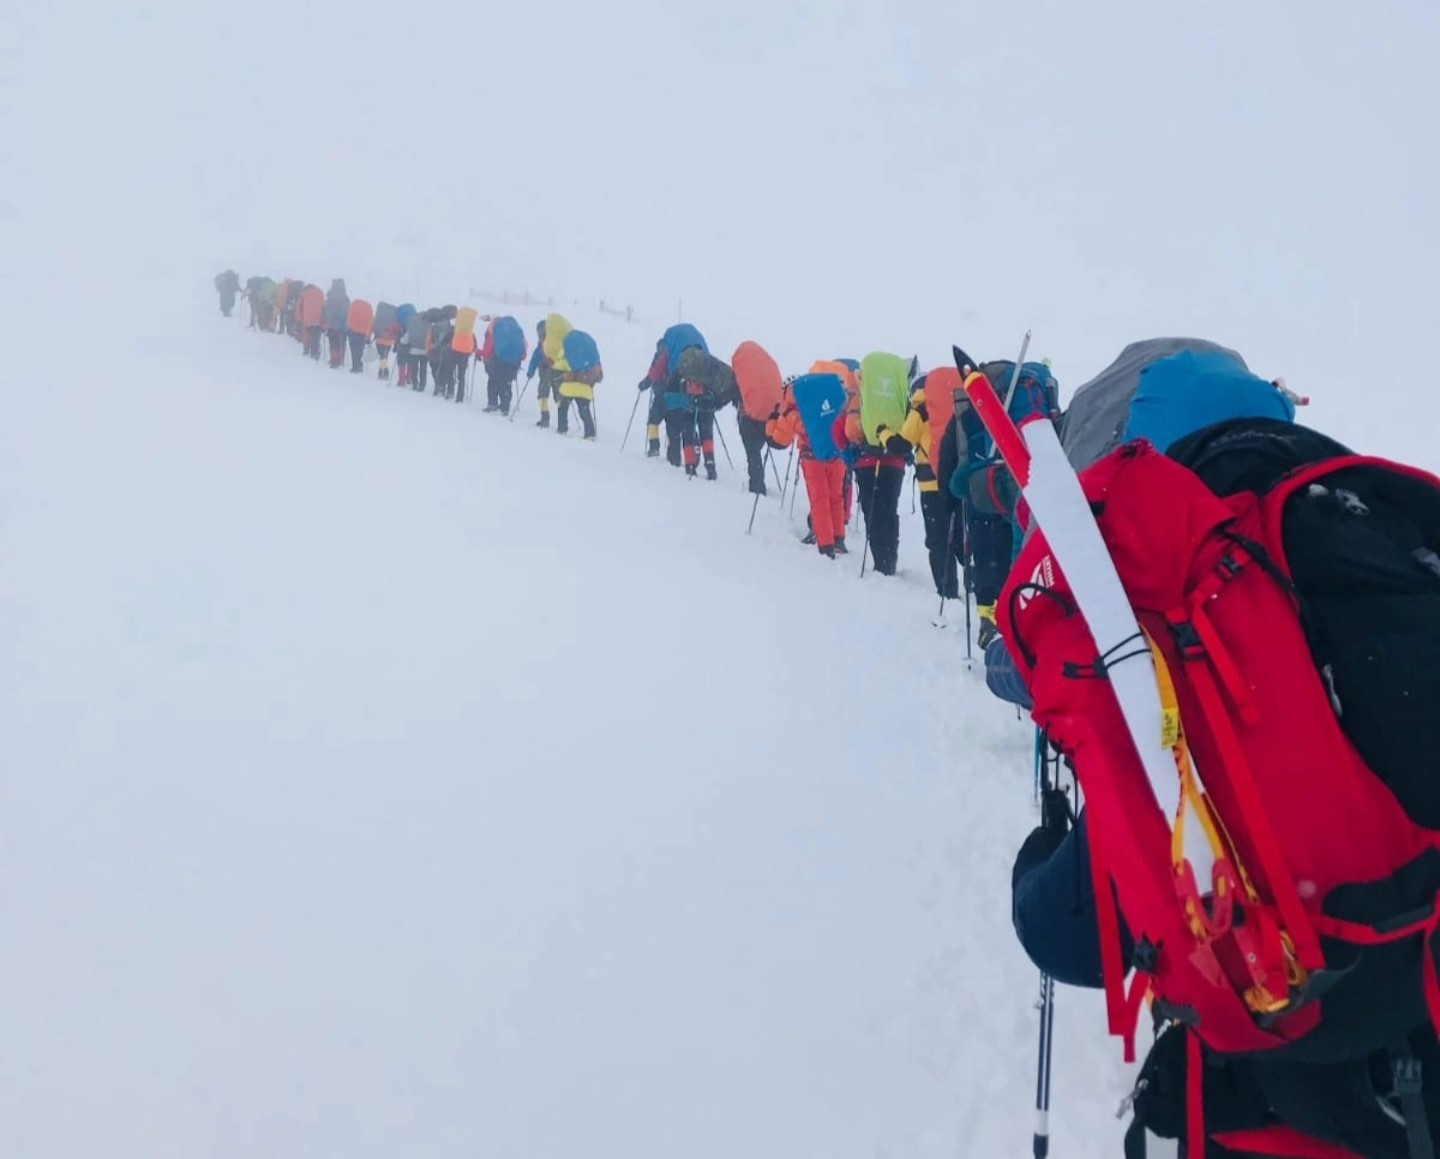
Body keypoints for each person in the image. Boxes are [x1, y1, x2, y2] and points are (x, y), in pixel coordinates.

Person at [833, 353, 912, 576]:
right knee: (889, 509)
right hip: (894, 460)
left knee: (873, 510)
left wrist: (849, 455)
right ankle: (891, 557)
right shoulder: (898, 397)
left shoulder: (858, 397)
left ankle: (881, 561)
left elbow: (838, 431)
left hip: (866, 461)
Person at [767, 372, 850, 558]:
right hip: (837, 454)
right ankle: (839, 539)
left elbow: (782, 437)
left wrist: (778, 417)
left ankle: (826, 545)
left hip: (813, 458)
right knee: (836, 498)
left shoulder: (793, 405)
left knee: (819, 500)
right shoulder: (821, 396)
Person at [901, 368, 963, 599]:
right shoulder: (958, 404)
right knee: (961, 535)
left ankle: (947, 591)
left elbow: (904, 442)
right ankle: (975, 582)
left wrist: (885, 434)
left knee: (938, 540)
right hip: (956, 481)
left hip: (930, 484)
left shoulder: (919, 410)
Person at [641, 323, 712, 475]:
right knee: (689, 426)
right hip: (695, 394)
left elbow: (657, 371)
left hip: (670, 395)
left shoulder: (667, 351)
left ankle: (662, 452)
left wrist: (647, 381)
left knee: (664, 424)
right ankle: (696, 451)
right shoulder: (699, 348)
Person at [555, 328, 602, 440]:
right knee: (584, 409)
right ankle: (590, 433)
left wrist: (562, 376)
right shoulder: (593, 359)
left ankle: (562, 428)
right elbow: (599, 376)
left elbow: (559, 366)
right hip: (584, 389)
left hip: (568, 388)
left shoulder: (567, 353)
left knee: (563, 407)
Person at [481, 315, 526, 414]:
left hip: (498, 362)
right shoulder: (517, 333)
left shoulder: (496, 332)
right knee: (507, 383)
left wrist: (484, 356)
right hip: (514, 363)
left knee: (493, 382)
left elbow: (489, 350)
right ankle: (505, 406)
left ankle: (492, 404)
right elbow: (524, 353)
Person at [526, 319, 564, 427]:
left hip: (546, 373)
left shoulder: (541, 346)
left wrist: (530, 371)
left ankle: (545, 418)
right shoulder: (558, 344)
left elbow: (535, 359)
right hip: (558, 372)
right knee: (559, 396)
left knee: (543, 395)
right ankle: (562, 420)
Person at [323, 279, 350, 368]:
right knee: (341, 342)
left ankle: (333, 359)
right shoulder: (345, 299)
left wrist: (326, 320)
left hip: (331, 325)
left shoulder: (330, 297)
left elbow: (325, 309)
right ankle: (340, 360)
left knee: (333, 343)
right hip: (343, 325)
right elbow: (347, 312)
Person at [372, 301, 399, 380]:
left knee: (382, 356)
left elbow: (372, 325)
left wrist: (368, 336)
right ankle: (384, 370)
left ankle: (382, 371)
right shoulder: (393, 318)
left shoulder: (378, 317)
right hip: (389, 341)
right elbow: (396, 329)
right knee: (385, 355)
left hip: (379, 339)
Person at [297, 284, 325, 360]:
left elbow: (299, 306)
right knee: (316, 336)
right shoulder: (320, 292)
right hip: (318, 318)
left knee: (306, 335)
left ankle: (306, 349)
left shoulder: (304, 293)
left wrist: (299, 318)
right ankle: (315, 351)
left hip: (307, 318)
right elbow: (324, 306)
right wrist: (324, 321)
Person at [346, 297, 373, 373]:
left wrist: (348, 327)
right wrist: (369, 335)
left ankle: (355, 366)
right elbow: (371, 321)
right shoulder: (369, 307)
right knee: (360, 349)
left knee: (354, 349)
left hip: (353, 329)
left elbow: (350, 317)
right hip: (363, 331)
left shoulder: (354, 305)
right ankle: (359, 365)